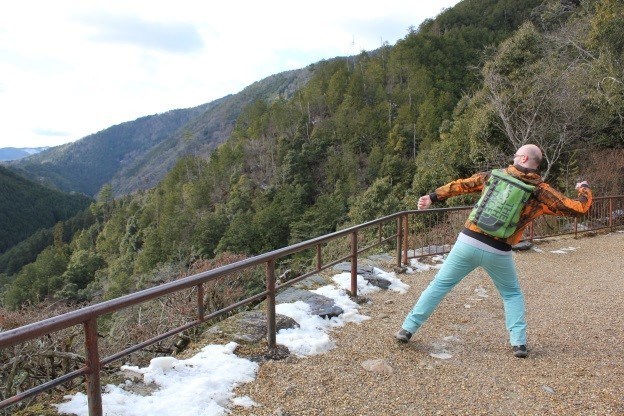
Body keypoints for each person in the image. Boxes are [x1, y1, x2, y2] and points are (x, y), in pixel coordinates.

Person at [395, 144, 592, 358]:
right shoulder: (540, 191)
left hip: (468, 242)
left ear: (524, 159)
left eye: (516, 155)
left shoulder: (494, 176)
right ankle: (519, 344)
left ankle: (407, 329)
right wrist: (583, 189)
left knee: (439, 286)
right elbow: (577, 209)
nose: (513, 158)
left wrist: (433, 197)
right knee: (511, 294)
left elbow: (462, 185)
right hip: (499, 250)